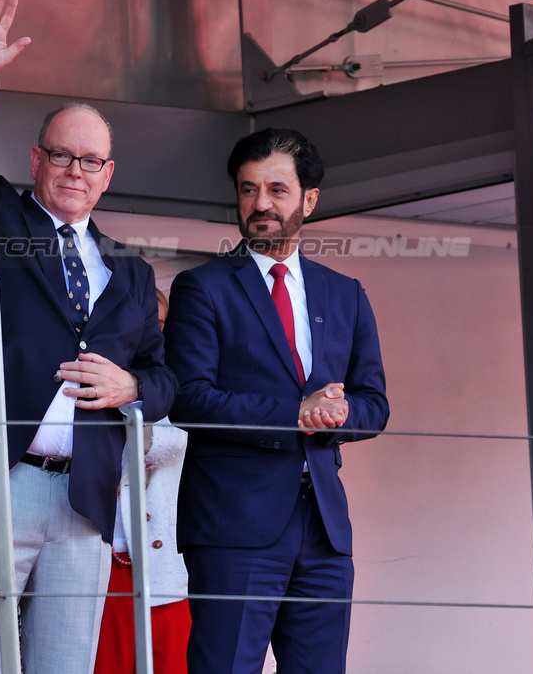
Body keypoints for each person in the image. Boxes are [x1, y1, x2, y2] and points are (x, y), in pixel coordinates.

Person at [0, 0, 177, 674]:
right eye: (61, 156)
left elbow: (164, 374)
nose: (74, 171)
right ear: (36, 161)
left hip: (84, 495)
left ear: (108, 176)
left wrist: (132, 386)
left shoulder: (127, 270)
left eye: (89, 161)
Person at [164, 129, 389, 674]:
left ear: (309, 199)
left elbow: (373, 404)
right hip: (234, 527)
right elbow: (189, 399)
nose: (260, 203)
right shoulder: (203, 287)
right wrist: (293, 415)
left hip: (325, 533)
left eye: (276, 190)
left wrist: (334, 414)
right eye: (247, 190)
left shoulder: (346, 291)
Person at [95, 290, 191, 674]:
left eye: (160, 326)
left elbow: (170, 443)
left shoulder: (177, 383)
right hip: (101, 568)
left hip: (163, 568)